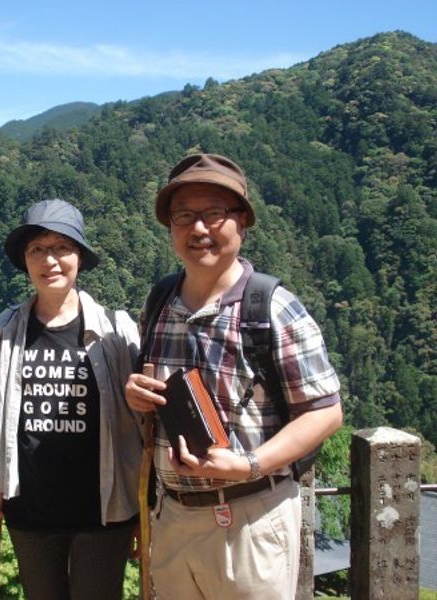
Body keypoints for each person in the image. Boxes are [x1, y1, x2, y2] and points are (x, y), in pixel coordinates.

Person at [124, 153, 343, 600]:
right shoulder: (160, 300)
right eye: (184, 216)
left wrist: (249, 465)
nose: (199, 229)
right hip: (173, 515)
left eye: (214, 214)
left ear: (242, 221)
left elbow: (325, 413)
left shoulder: (272, 308)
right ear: (170, 227)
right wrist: (136, 395)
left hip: (250, 516)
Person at [0, 198, 143, 600]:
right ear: (25, 261)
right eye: (37, 250)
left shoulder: (116, 331)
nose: (50, 260)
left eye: (61, 247)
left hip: (104, 510)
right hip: (29, 509)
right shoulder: (6, 330)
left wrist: (145, 502)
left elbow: (142, 421)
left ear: (79, 256)